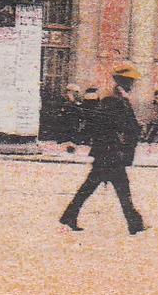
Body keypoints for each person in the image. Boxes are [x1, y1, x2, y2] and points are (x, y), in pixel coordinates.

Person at [59, 64, 148, 234]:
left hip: (110, 151)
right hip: (110, 151)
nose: (133, 85)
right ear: (125, 82)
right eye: (132, 81)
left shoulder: (119, 98)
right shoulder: (112, 99)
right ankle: (134, 223)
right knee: (120, 187)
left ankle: (70, 215)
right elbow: (108, 124)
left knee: (95, 186)